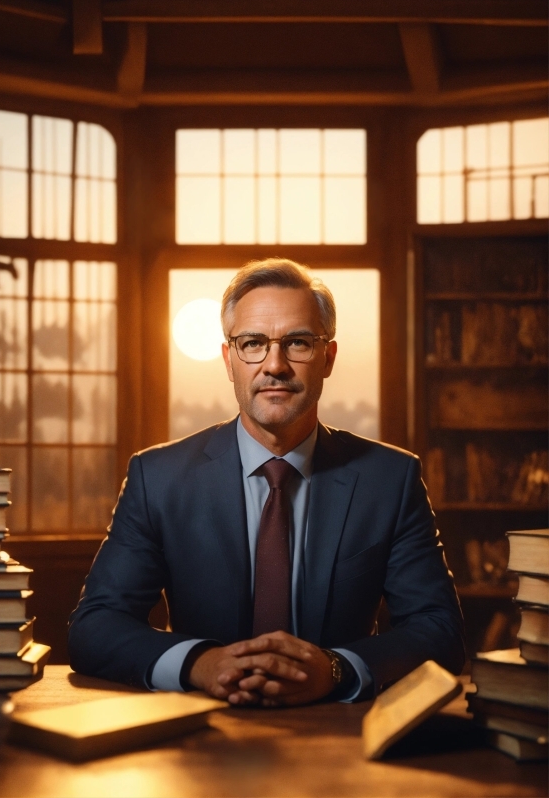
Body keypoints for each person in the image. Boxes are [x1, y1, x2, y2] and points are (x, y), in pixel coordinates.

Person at [68, 259, 464, 707]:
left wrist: (335, 669)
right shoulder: (158, 478)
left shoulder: (389, 479)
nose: (274, 365)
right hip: (197, 737)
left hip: (339, 737)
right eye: (253, 343)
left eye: (297, 343)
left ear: (328, 358)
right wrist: (200, 664)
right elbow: (95, 626)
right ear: (228, 360)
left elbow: (439, 631)